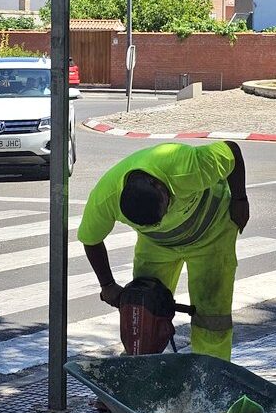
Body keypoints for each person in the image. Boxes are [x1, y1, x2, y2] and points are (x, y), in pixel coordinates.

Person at [78, 141, 249, 360]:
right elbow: (90, 239)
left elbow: (232, 151)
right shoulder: (105, 198)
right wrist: (107, 285)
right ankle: (142, 367)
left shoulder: (187, 166)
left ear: (159, 185)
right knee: (142, 309)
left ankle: (211, 373)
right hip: (157, 244)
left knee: (212, 316)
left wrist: (239, 199)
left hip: (212, 233)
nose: (164, 221)